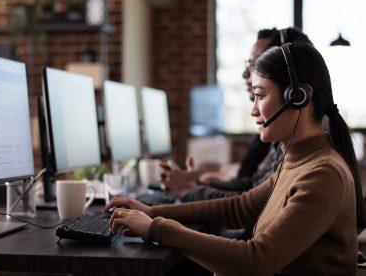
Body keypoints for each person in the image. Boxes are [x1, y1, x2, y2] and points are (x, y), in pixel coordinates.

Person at [106, 41, 365, 275]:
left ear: (297, 97)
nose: (253, 110)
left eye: (260, 95)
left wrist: (156, 228)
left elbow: (257, 260)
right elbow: (239, 208)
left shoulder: (323, 174)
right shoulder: (297, 160)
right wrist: (151, 211)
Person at [161, 27, 311, 202]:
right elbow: (252, 189)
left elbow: (247, 205)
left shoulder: (310, 161)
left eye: (256, 64)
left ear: (293, 93)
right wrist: (198, 183)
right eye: (249, 63)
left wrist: (191, 189)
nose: (245, 73)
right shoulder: (283, 139)